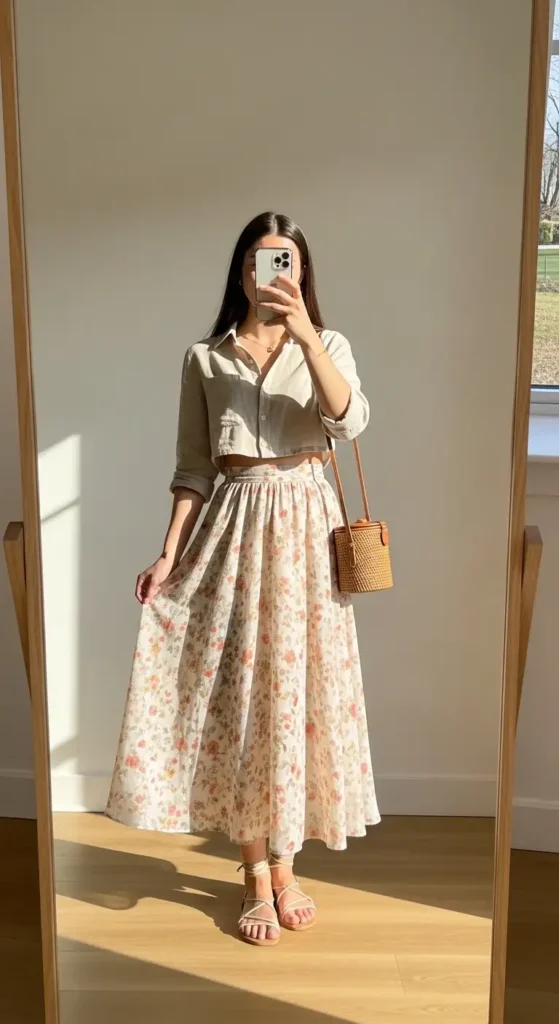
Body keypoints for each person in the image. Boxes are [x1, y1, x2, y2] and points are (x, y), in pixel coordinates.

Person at [105, 211, 381, 947]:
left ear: (301, 272)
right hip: (232, 529)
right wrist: (168, 552)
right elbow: (193, 466)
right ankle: (255, 875)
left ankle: (288, 868)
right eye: (261, 261)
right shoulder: (205, 357)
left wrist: (304, 338)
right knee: (242, 696)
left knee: (294, 700)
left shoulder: (329, 345)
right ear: (240, 272)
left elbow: (349, 421)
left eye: (286, 261)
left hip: (306, 534)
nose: (274, 274)